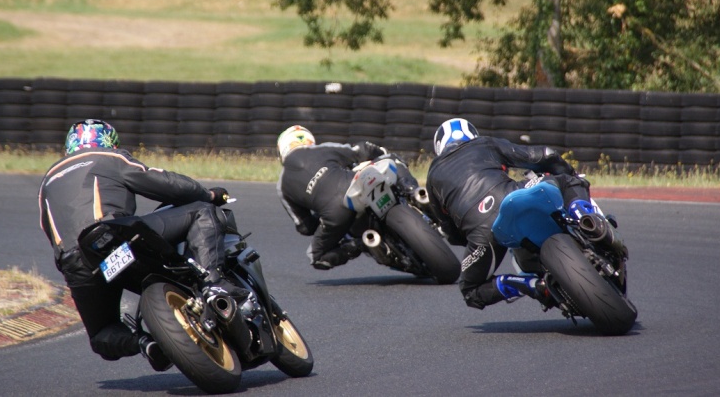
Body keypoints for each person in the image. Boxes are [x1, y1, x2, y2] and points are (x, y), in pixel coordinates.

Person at [37, 119, 248, 371]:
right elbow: (163, 183)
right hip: (114, 237)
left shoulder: (47, 182)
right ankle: (214, 284)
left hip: (75, 261)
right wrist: (208, 194)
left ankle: (144, 343)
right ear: (110, 142)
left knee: (102, 334)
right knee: (202, 211)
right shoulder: (107, 157)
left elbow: (47, 230)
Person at [425, 117, 604, 311]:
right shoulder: (484, 143)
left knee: (471, 291)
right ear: (472, 135)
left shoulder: (432, 175)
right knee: (568, 181)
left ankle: (531, 285)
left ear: (439, 146)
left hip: (481, 231)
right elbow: (546, 155)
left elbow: (448, 229)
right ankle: (585, 217)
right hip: (510, 194)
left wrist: (473, 238)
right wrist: (568, 172)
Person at [276, 125, 418, 270]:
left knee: (316, 257)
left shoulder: (281, 187)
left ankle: (359, 244)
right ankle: (415, 194)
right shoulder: (320, 149)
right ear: (309, 140)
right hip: (356, 186)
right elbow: (361, 150)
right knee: (389, 158)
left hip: (336, 215)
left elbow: (304, 227)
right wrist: (381, 152)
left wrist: (321, 216)